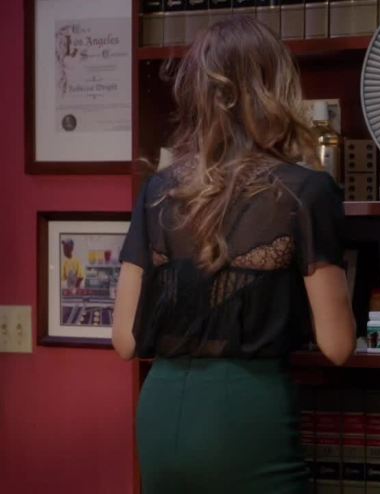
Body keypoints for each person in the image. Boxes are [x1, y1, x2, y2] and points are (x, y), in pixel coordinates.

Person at [111, 16, 356, 494]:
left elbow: (125, 341)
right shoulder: (307, 190)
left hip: (162, 413)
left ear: (198, 92)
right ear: (277, 89)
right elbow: (338, 345)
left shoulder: (159, 190)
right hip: (247, 415)